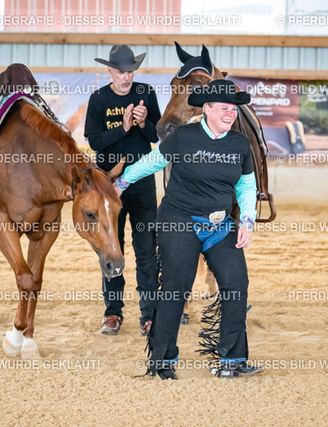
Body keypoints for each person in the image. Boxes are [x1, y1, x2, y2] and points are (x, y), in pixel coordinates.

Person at [114, 79, 262, 379]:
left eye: (234, 109)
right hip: (179, 221)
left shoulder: (239, 144)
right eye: (224, 109)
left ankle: (232, 359)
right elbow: (152, 162)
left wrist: (247, 220)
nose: (231, 114)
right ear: (207, 109)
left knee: (236, 284)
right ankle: (162, 360)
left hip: (220, 225)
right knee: (175, 289)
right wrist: (121, 182)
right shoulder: (183, 137)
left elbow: (246, 185)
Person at [85, 44, 161, 336]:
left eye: (130, 71)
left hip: (142, 184)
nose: (126, 77)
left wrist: (143, 123)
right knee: (111, 249)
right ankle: (113, 313)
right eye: (121, 72)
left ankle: (149, 315)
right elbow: (94, 142)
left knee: (146, 249)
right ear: (110, 71)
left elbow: (156, 136)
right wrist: (124, 128)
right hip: (108, 188)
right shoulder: (98, 99)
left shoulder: (146, 93)